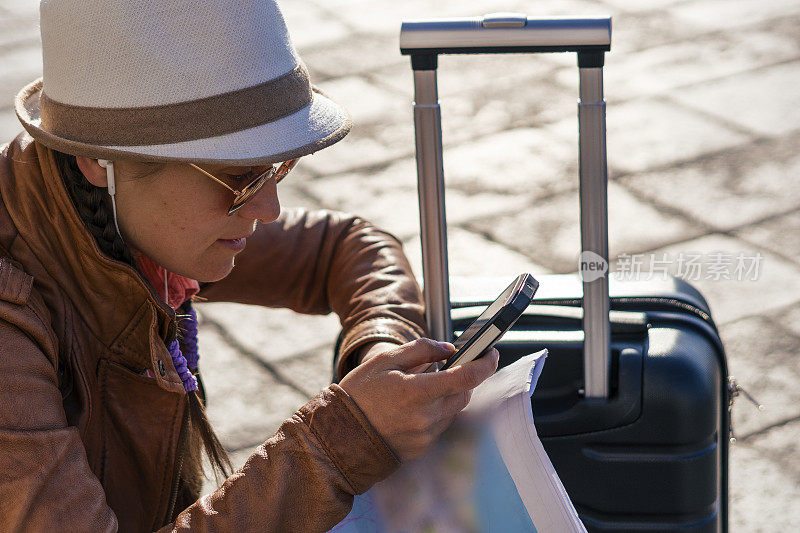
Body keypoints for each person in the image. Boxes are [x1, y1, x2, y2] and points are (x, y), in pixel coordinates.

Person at [0, 0, 499, 531]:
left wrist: (381, 353)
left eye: (278, 167)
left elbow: (349, 246)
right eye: (239, 177)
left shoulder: (126, 216)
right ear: (96, 160)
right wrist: (343, 440)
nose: (269, 209)